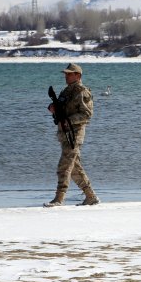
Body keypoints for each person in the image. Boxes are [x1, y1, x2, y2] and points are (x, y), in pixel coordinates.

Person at [44, 63, 100, 206]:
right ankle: (91, 197)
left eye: (69, 73)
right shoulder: (66, 92)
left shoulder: (82, 92)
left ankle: (59, 198)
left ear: (78, 75)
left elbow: (87, 115)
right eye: (66, 74)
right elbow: (62, 110)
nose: (66, 76)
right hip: (64, 134)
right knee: (74, 168)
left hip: (74, 136)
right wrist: (53, 109)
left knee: (64, 166)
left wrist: (69, 121)